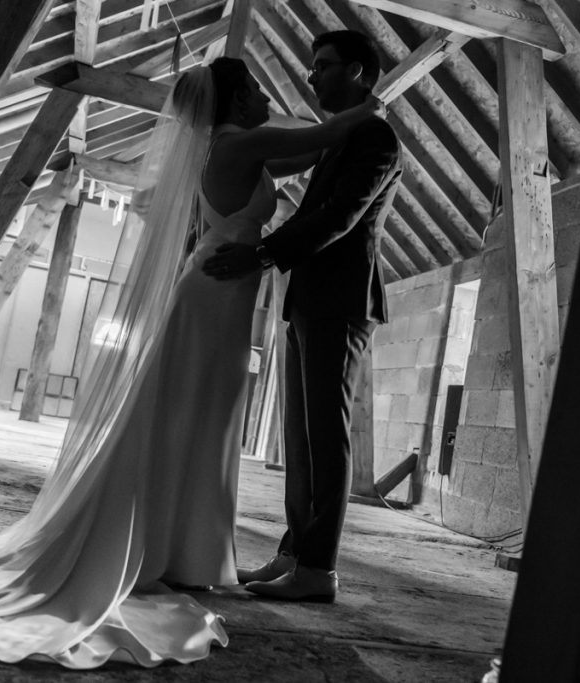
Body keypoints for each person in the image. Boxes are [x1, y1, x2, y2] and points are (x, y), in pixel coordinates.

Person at [0, 58, 381, 669]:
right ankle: (178, 547)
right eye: (257, 88)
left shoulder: (232, 147)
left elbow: (306, 157)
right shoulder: (244, 142)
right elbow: (321, 139)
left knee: (202, 414)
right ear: (234, 104)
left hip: (220, 292)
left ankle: (182, 547)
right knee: (197, 412)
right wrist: (369, 104)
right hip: (214, 294)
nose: (267, 96)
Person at [203, 31, 402, 603]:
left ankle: (318, 570)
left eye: (323, 66)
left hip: (342, 303)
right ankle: (293, 553)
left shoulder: (375, 138)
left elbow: (338, 219)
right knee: (300, 438)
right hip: (311, 299)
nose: (311, 76)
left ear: (358, 72)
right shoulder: (341, 139)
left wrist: (262, 256)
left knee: (325, 438)